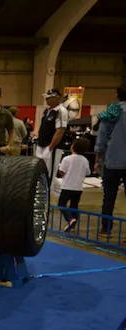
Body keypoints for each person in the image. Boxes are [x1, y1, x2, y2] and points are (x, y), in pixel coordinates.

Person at [95, 86, 126, 236]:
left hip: (112, 161)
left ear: (117, 95)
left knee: (109, 196)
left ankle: (105, 229)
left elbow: (101, 138)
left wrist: (98, 158)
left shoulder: (111, 112)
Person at [57, 137, 91, 232]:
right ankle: (73, 225)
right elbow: (88, 172)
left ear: (73, 147)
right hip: (78, 187)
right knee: (74, 206)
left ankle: (70, 219)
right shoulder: (85, 160)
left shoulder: (67, 159)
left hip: (67, 186)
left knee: (61, 204)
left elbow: (61, 172)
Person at [34, 88, 68, 177]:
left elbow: (60, 131)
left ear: (56, 98)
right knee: (39, 172)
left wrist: (49, 148)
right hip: (41, 144)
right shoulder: (47, 111)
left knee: (49, 174)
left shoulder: (61, 111)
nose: (46, 99)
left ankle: (50, 186)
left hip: (52, 147)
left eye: (49, 97)